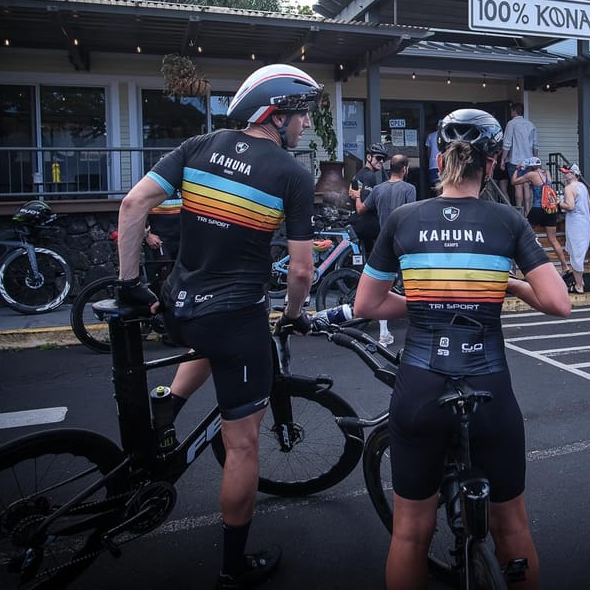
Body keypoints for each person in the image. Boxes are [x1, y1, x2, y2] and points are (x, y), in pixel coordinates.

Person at [115, 63, 322, 589]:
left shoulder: (198, 146)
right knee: (243, 446)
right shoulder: (292, 174)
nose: (304, 127)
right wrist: (294, 315)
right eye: (300, 116)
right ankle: (233, 566)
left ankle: (169, 408)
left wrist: (129, 282)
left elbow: (134, 203)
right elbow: (301, 270)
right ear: (274, 115)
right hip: (236, 316)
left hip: (179, 306)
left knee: (205, 343)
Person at [353, 108, 571, 590]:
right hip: (488, 385)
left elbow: (366, 304)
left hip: (420, 383)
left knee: (410, 534)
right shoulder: (507, 220)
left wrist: (426, 302)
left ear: (439, 158)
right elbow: (559, 303)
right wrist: (509, 286)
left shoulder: (406, 219)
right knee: (512, 526)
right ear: (492, 164)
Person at [356, 153, 417, 346]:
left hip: (383, 242)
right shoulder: (409, 189)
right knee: (410, 283)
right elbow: (411, 214)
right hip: (403, 242)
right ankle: (418, 327)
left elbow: (361, 210)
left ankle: (384, 332)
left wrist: (357, 196)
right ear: (405, 169)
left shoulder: (378, 189)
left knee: (382, 287)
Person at [512, 157, 571, 277]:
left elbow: (514, 182)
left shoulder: (531, 175)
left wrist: (517, 169)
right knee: (553, 239)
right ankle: (565, 266)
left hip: (538, 207)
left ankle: (518, 265)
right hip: (551, 208)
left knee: (523, 232)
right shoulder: (547, 173)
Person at [348, 142, 390, 255]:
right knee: (389, 235)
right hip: (365, 222)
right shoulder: (369, 176)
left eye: (384, 159)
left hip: (356, 220)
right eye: (379, 158)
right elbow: (366, 205)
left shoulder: (360, 173)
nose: (381, 162)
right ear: (368, 157)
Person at [558, 164, 590, 294]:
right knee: (577, 251)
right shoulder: (583, 186)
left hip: (575, 222)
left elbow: (570, 206)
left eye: (567, 173)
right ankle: (579, 281)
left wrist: (558, 203)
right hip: (585, 221)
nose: (565, 175)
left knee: (576, 253)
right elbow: (587, 204)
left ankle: (578, 285)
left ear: (573, 174)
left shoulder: (569, 188)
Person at [501, 102, 537, 216]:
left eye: (511, 111)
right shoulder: (531, 125)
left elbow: (507, 144)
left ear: (514, 111)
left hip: (515, 160)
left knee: (518, 185)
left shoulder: (511, 124)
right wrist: (535, 160)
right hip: (529, 159)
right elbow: (535, 145)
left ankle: (519, 212)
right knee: (527, 185)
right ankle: (528, 213)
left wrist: (502, 159)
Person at [424, 123, 440, 190]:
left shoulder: (431, 135)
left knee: (436, 185)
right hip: (446, 164)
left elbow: (428, 151)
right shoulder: (448, 135)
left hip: (433, 164)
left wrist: (429, 160)